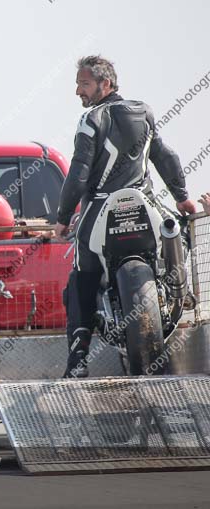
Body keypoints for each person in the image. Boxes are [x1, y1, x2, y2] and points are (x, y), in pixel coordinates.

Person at [54, 56, 198, 378]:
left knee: (81, 271)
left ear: (106, 84)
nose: (78, 91)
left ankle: (78, 357)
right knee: (177, 233)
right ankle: (180, 291)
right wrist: (182, 197)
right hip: (144, 204)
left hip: (100, 209)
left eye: (84, 83)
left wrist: (63, 218)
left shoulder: (91, 119)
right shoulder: (143, 111)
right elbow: (165, 155)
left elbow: (78, 175)